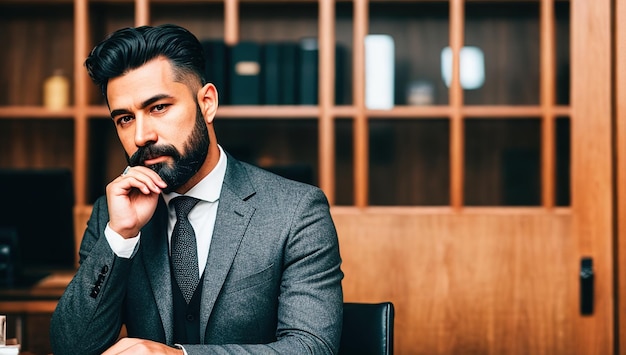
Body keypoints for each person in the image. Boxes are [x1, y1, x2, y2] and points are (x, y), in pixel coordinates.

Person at [49, 24, 343, 355]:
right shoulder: (112, 213)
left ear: (207, 103)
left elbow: (312, 347)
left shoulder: (297, 212)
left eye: (158, 107)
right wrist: (121, 236)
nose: (142, 135)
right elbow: (71, 347)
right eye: (125, 119)